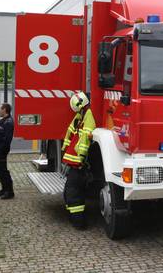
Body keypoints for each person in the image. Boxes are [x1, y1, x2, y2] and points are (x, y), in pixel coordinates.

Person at [61, 92, 96, 229]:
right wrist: (65, 149)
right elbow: (71, 133)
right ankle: (75, 219)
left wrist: (81, 157)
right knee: (70, 192)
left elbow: (85, 138)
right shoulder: (81, 116)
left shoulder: (88, 117)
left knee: (73, 193)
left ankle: (79, 223)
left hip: (78, 164)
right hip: (74, 163)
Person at [0, 103, 14, 199]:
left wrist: (1, 151)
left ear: (4, 109)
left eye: (0, 109)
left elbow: (7, 140)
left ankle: (9, 191)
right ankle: (4, 189)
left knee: (3, 171)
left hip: (1, 152)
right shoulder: (3, 121)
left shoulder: (8, 122)